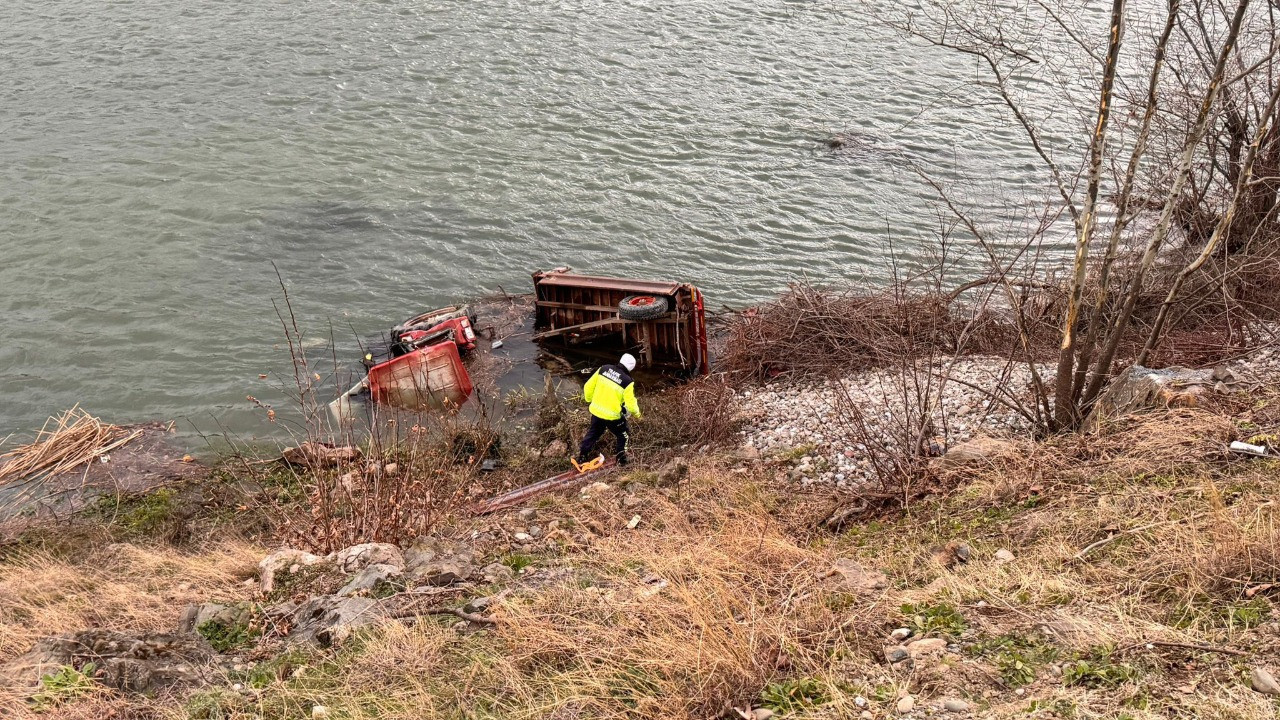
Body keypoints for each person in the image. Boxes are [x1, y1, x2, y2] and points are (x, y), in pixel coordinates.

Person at [577, 353, 641, 467]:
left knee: (593, 433)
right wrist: (638, 414)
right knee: (623, 435)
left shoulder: (603, 369)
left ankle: (582, 456)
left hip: (596, 411)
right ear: (631, 367)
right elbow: (631, 404)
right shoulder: (628, 381)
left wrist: (589, 399)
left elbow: (588, 386)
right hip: (612, 417)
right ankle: (621, 460)